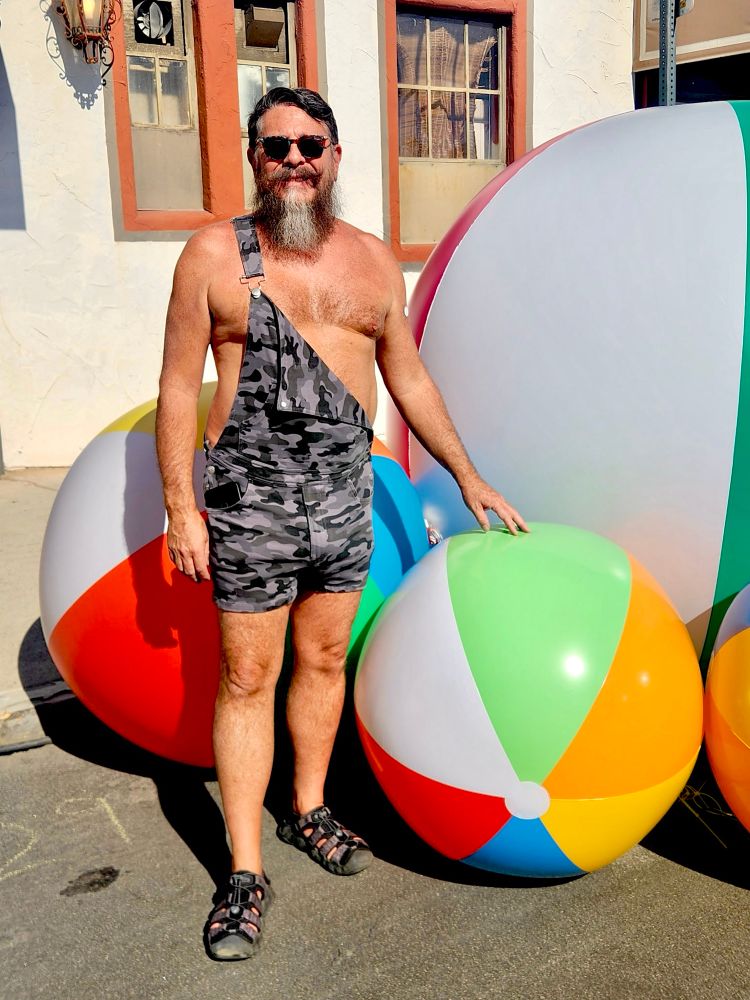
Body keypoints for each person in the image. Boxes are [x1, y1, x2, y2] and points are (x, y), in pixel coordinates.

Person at [155, 86, 528, 961]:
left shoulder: (371, 261)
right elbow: (176, 385)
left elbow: (410, 378)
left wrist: (467, 475)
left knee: (324, 661)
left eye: (310, 145)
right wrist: (180, 507)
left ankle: (309, 808)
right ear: (255, 158)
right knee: (248, 677)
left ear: (333, 156)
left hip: (342, 496)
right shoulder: (212, 255)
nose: (294, 160)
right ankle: (243, 871)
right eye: (275, 145)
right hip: (250, 499)